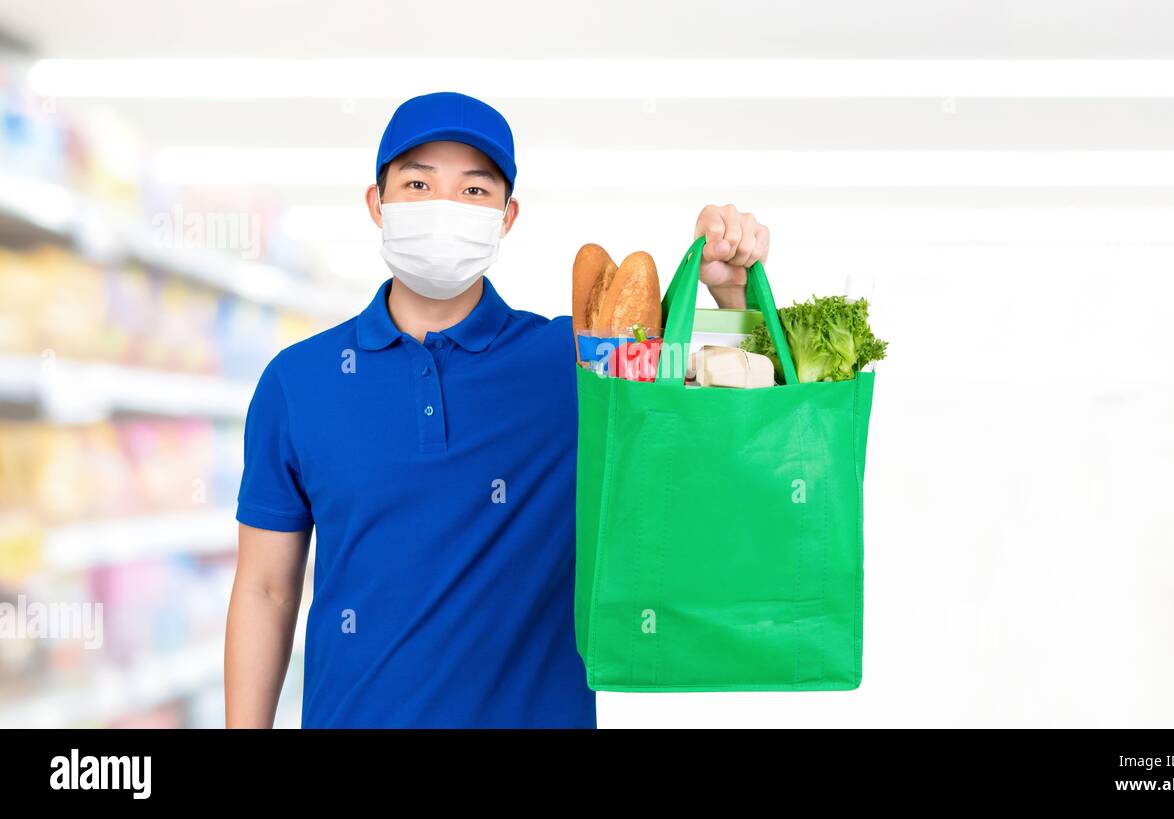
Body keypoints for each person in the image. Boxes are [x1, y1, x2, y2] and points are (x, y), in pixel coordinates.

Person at [224, 91, 771, 728]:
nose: (443, 208)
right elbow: (265, 589)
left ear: (507, 217)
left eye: (474, 192)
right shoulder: (298, 381)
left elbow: (728, 438)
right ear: (378, 204)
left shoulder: (580, 367)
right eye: (419, 183)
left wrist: (729, 289)